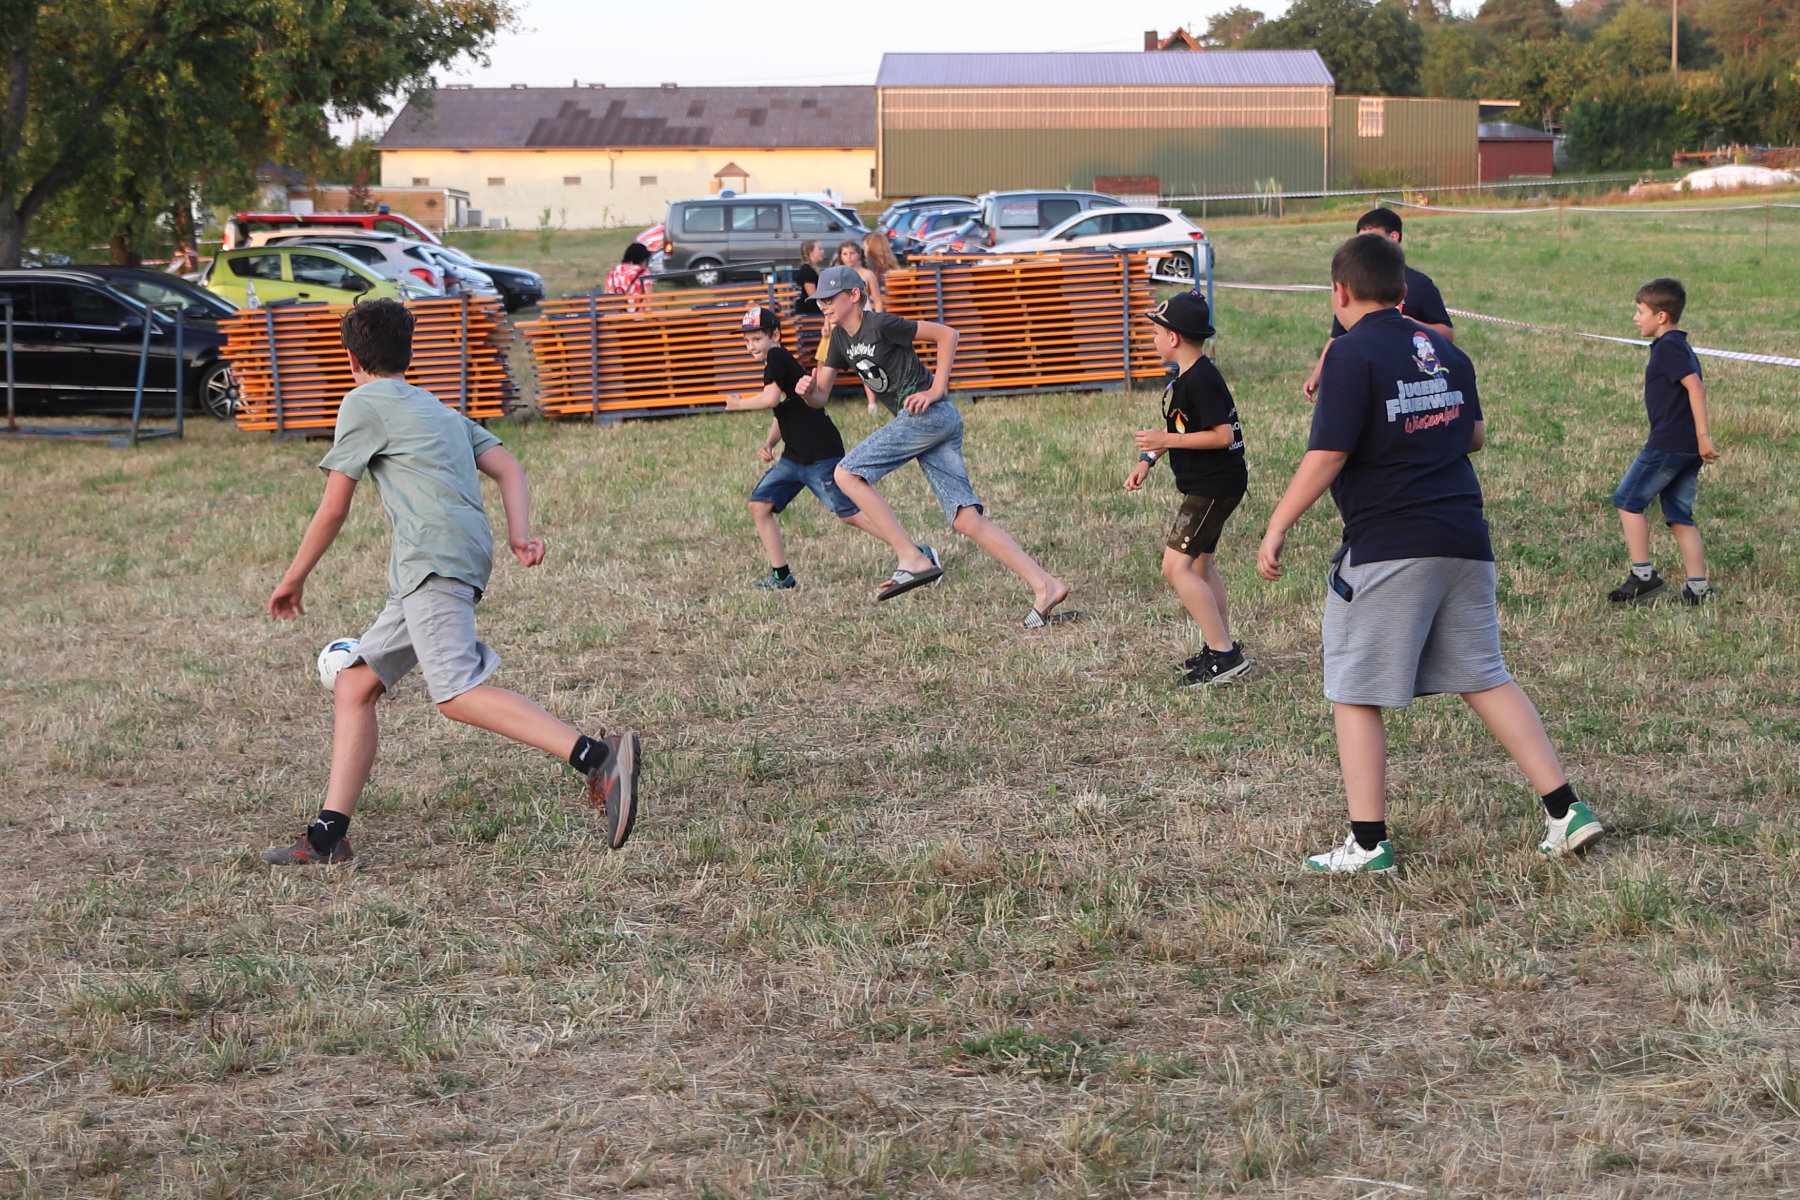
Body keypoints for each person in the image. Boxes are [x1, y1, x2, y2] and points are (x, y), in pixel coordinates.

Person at [1256, 234, 1600, 874]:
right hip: (1463, 537)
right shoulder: (1443, 349)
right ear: (1404, 290)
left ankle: (1368, 844)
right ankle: (1566, 810)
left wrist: (1277, 524)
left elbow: (1328, 454)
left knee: (1354, 688)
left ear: (1340, 292)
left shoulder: (1348, 353)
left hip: (1390, 544)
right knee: (1484, 675)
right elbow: (1474, 434)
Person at [262, 300, 640, 865]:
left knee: (458, 693)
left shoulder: (361, 401)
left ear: (351, 360)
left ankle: (598, 758)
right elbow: (508, 466)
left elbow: (335, 506)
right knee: (354, 686)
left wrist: (293, 579)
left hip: (432, 560)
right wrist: (519, 534)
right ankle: (327, 837)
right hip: (447, 559)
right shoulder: (437, 407)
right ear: (408, 354)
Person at [805, 264, 1071, 626]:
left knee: (846, 474)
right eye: (819, 300)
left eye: (830, 298)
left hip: (930, 415)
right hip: (927, 423)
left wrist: (936, 389)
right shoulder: (838, 339)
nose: (823, 305)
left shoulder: (881, 324)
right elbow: (820, 397)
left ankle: (912, 558)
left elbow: (947, 334)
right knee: (965, 519)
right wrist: (808, 393)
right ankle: (1046, 585)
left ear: (854, 295)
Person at [1123, 292, 1249, 685]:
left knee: (1175, 566)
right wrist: (1148, 460)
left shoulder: (1201, 381)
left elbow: (1222, 436)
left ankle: (1225, 656)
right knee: (1199, 566)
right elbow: (1181, 430)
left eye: (1156, 333)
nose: (1154, 339)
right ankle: (1220, 645)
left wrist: (1165, 440)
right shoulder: (1187, 378)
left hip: (1213, 487)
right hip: (1215, 484)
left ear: (1174, 337)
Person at [723, 304, 878, 589]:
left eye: (756, 338)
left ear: (775, 335)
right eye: (746, 340)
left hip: (820, 453)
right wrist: (770, 443)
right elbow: (783, 409)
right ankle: (782, 576)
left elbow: (770, 399)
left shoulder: (776, 357)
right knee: (759, 505)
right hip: (795, 457)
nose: (751, 346)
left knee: (849, 514)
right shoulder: (777, 362)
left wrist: (739, 403)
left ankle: (913, 551)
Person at [1607, 276, 1718, 605]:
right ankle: (1698, 588)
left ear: (1661, 316)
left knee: (1627, 499)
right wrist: (1697, 442)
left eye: (1640, 311)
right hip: (1686, 447)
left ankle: (1643, 576)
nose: (1635, 318)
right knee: (1679, 515)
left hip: (1669, 445)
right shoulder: (1677, 345)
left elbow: (1696, 388)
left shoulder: (1669, 347)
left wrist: (1703, 436)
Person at [1301, 207, 1453, 402]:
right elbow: (1336, 337)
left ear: (1394, 237)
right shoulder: (1355, 285)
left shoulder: (1420, 284)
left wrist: (1411, 324)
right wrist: (1317, 375)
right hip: (1371, 378)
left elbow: (1447, 334)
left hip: (1409, 380)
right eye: (1360, 241)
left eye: (1371, 238)